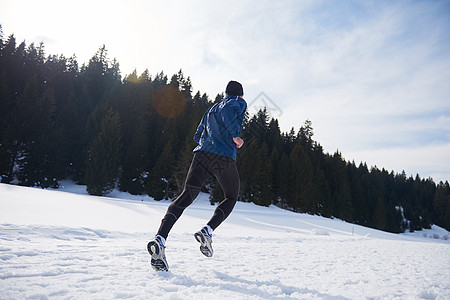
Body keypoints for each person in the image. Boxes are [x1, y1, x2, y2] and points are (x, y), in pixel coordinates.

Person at [147, 80, 247, 271]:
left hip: (201, 155)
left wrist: (209, 141)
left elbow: (197, 134)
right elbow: (228, 112)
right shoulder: (237, 102)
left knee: (187, 194)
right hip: (222, 156)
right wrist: (235, 136)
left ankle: (160, 238)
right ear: (240, 94)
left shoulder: (211, 109)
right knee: (231, 196)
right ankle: (208, 231)